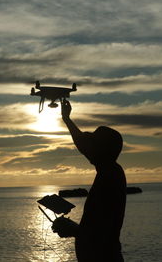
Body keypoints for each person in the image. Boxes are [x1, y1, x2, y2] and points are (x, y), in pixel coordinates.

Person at [51, 99, 127, 262]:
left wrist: (73, 229)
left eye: (92, 140)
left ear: (100, 149)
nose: (86, 143)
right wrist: (67, 119)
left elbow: (102, 232)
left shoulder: (109, 178)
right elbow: (83, 143)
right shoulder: (110, 170)